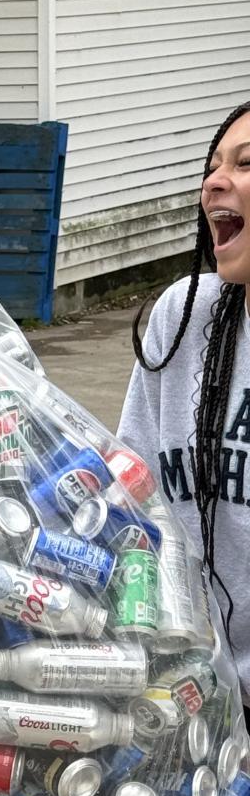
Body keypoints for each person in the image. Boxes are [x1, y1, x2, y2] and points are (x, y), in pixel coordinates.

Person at [118, 102, 250, 722]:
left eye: (245, 164)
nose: (214, 182)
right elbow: (130, 495)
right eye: (213, 165)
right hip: (185, 693)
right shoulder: (185, 317)